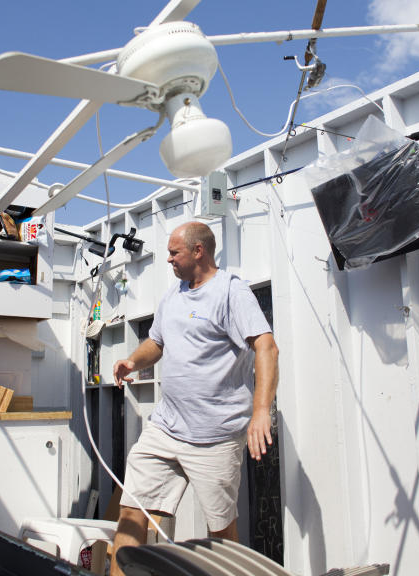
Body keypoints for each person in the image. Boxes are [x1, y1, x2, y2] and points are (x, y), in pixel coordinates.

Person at [109, 221, 279, 575]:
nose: (168, 260)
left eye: (174, 253)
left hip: (214, 437)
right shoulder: (173, 295)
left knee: (220, 532)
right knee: (130, 511)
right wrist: (132, 360)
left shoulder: (231, 292)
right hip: (165, 428)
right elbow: (156, 342)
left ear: (198, 251)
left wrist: (261, 411)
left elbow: (266, 346)